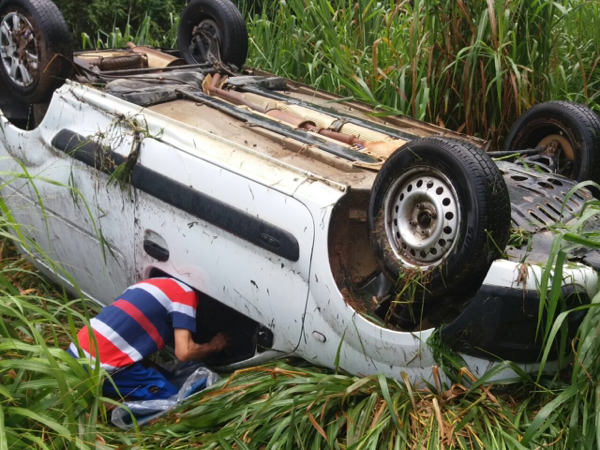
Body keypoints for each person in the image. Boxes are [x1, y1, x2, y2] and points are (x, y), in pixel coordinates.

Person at [67, 277, 228, 400]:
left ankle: (95, 396)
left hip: (74, 356)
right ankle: (107, 403)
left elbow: (130, 344)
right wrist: (214, 345)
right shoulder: (185, 295)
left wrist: (162, 374)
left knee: (167, 377)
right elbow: (184, 353)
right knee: (172, 399)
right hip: (100, 368)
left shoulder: (146, 284)